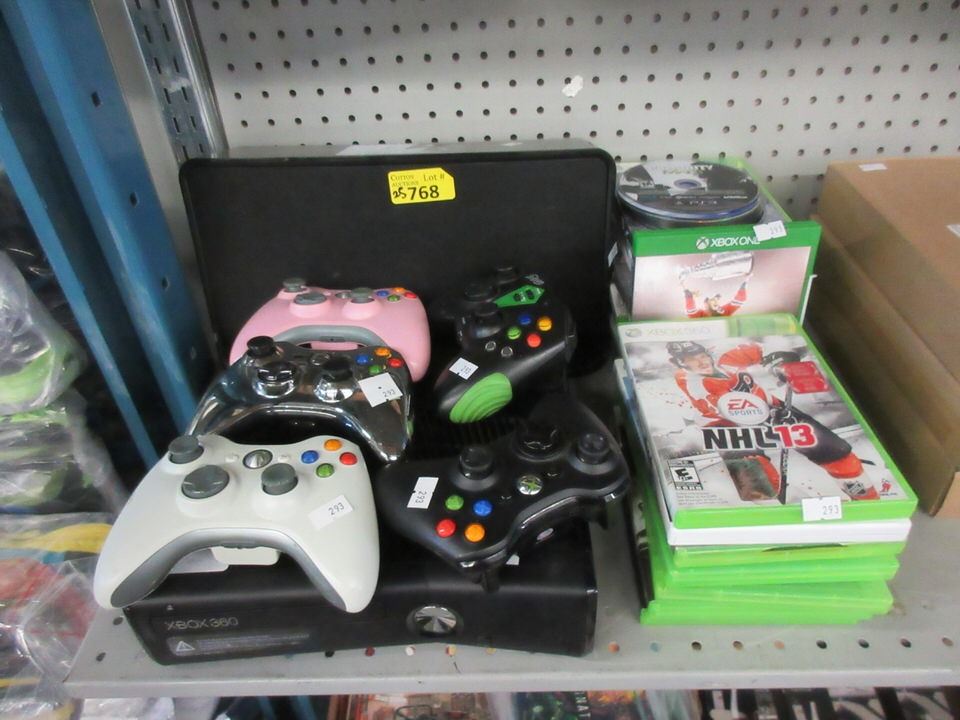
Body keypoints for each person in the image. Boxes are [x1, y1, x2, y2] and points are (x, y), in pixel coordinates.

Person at [666, 340, 879, 501]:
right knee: (755, 481)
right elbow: (734, 411)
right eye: (689, 360)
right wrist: (772, 422)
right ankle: (781, 518)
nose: (700, 362)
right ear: (679, 364)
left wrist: (780, 358)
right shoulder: (693, 384)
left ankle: (867, 499)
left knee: (834, 451)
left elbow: (764, 348)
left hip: (772, 409)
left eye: (701, 355)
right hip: (725, 425)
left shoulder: (727, 359)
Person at [681, 275, 748, 318]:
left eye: (716, 300)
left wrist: (743, 286)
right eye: (712, 300)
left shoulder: (724, 311)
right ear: (707, 303)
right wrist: (689, 297)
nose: (715, 302)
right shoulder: (703, 314)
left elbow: (739, 300)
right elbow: (691, 312)